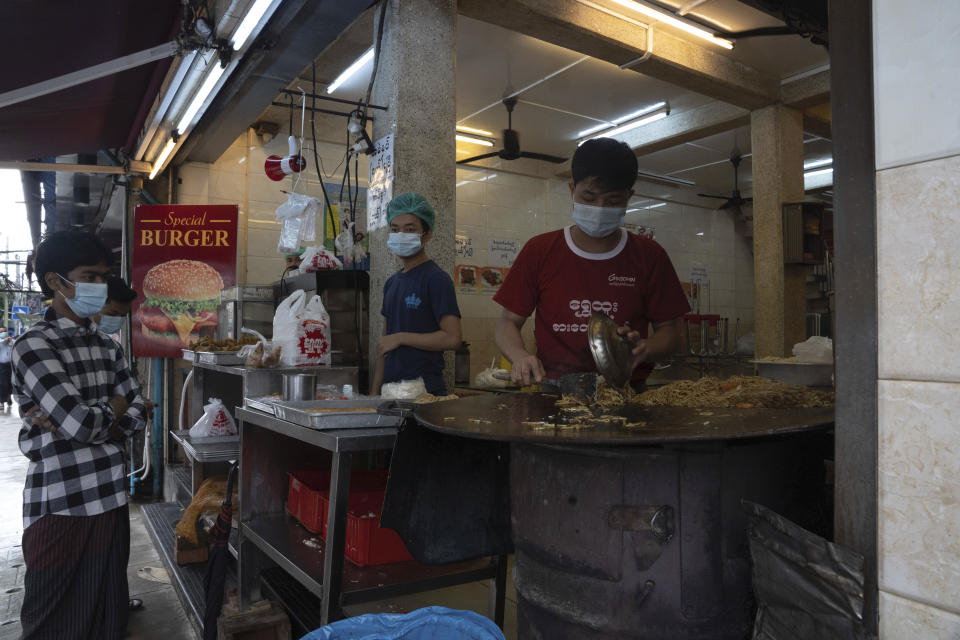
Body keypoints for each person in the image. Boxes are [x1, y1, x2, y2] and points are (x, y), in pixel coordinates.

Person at [12, 230, 146, 639]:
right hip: (61, 502)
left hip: (110, 498)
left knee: (106, 612)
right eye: (89, 274)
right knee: (52, 619)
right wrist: (110, 412)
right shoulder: (33, 345)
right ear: (54, 281)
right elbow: (82, 424)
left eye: (104, 276)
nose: (99, 286)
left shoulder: (108, 346)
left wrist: (97, 417)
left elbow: (138, 410)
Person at [494, 138, 690, 389]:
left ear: (629, 197)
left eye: (613, 200)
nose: (600, 208)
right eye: (589, 196)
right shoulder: (540, 250)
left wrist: (644, 347)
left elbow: (671, 334)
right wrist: (520, 357)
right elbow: (507, 323)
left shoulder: (649, 255)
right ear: (571, 189)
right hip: (555, 389)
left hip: (626, 391)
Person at [371, 192, 462, 396]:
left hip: (424, 392)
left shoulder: (436, 279)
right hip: (390, 391)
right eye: (395, 229)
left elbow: (453, 338)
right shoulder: (391, 283)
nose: (401, 234)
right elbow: (385, 344)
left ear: (427, 234)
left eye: (410, 229)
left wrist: (401, 338)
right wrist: (374, 395)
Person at [0, 331, 12, 410]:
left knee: (10, 383)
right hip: (2, 366)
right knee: (3, 384)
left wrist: (10, 340)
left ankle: (8, 397)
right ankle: (1, 402)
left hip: (11, 365)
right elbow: (2, 342)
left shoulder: (11, 344)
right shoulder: (1, 344)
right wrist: (5, 340)